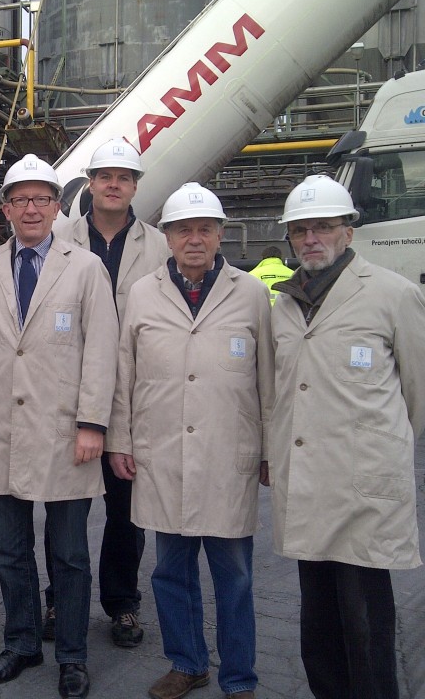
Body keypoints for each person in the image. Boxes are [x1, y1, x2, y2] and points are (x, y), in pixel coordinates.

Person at [108, 183, 273, 699]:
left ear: (220, 234)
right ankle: (188, 663)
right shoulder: (143, 293)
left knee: (235, 578)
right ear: (169, 237)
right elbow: (123, 374)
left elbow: (268, 378)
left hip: (227, 457)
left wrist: (269, 451)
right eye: (183, 230)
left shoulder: (250, 293)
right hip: (163, 457)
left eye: (204, 229)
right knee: (170, 572)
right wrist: (120, 439)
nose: (194, 239)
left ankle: (238, 678)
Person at [0, 154, 118, 699]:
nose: (31, 209)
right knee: (8, 551)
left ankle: (72, 656)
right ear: (6, 209)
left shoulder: (85, 268)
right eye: (20, 200)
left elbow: (101, 352)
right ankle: (22, 642)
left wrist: (92, 424)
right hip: (2, 428)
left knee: (70, 554)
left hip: (64, 433)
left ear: (58, 207)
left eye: (41, 199)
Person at [268, 175, 425, 699]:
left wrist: (379, 447)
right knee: (318, 623)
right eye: (301, 230)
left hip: (361, 489)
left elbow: (417, 396)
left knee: (365, 620)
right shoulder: (285, 307)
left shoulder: (393, 295)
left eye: (323, 227)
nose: (311, 238)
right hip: (310, 488)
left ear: (348, 232)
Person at [50, 137, 168, 647]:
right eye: (105, 176)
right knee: (65, 507)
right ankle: (59, 598)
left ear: (135, 185)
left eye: (124, 176)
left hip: (135, 397)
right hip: (70, 391)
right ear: (91, 184)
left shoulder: (160, 246)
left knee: (126, 511)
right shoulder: (59, 237)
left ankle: (122, 603)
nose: (114, 184)